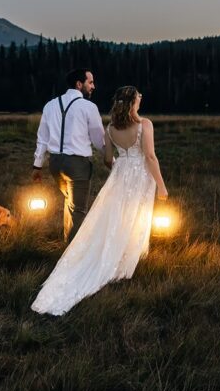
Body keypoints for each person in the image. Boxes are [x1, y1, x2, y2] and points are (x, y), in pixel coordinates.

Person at [31, 85, 168, 316]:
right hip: (140, 175)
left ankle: (113, 253)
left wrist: (121, 166)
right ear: (133, 101)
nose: (141, 99)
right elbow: (151, 156)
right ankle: (124, 259)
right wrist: (162, 186)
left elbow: (106, 159)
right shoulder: (145, 124)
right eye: (139, 96)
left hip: (119, 175)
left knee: (115, 216)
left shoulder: (111, 128)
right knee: (135, 215)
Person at [31, 68, 106, 242]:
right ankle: (74, 255)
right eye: (90, 82)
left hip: (55, 164)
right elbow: (99, 140)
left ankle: (67, 241)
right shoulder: (89, 107)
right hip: (77, 165)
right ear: (79, 84)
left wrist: (37, 165)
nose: (93, 86)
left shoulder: (50, 105)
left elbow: (42, 138)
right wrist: (112, 160)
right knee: (79, 210)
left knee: (69, 203)